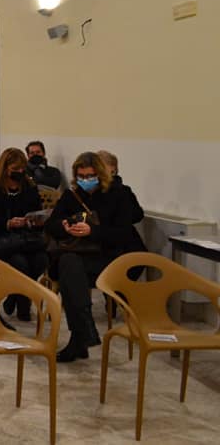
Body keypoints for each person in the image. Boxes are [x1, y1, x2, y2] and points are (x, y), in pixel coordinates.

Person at [44, 152, 147, 363]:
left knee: (70, 274)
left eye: (90, 176)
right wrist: (64, 227)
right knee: (69, 265)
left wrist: (93, 231)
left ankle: (79, 338)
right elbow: (51, 225)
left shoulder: (119, 195)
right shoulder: (72, 196)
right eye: (81, 176)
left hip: (110, 257)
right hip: (79, 256)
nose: (85, 180)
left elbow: (123, 233)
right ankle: (84, 332)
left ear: (100, 174)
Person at [0, 148, 47, 321]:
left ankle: (14, 296)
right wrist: (7, 223)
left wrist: (32, 220)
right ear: (5, 168)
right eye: (15, 169)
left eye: (22, 168)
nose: (20, 172)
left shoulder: (29, 187)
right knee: (20, 263)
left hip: (27, 237)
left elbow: (37, 212)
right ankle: (23, 304)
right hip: (1, 239)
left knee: (41, 260)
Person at [96, 150, 144, 224]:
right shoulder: (92, 190)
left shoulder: (124, 191)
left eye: (101, 167)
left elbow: (137, 215)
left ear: (113, 169)